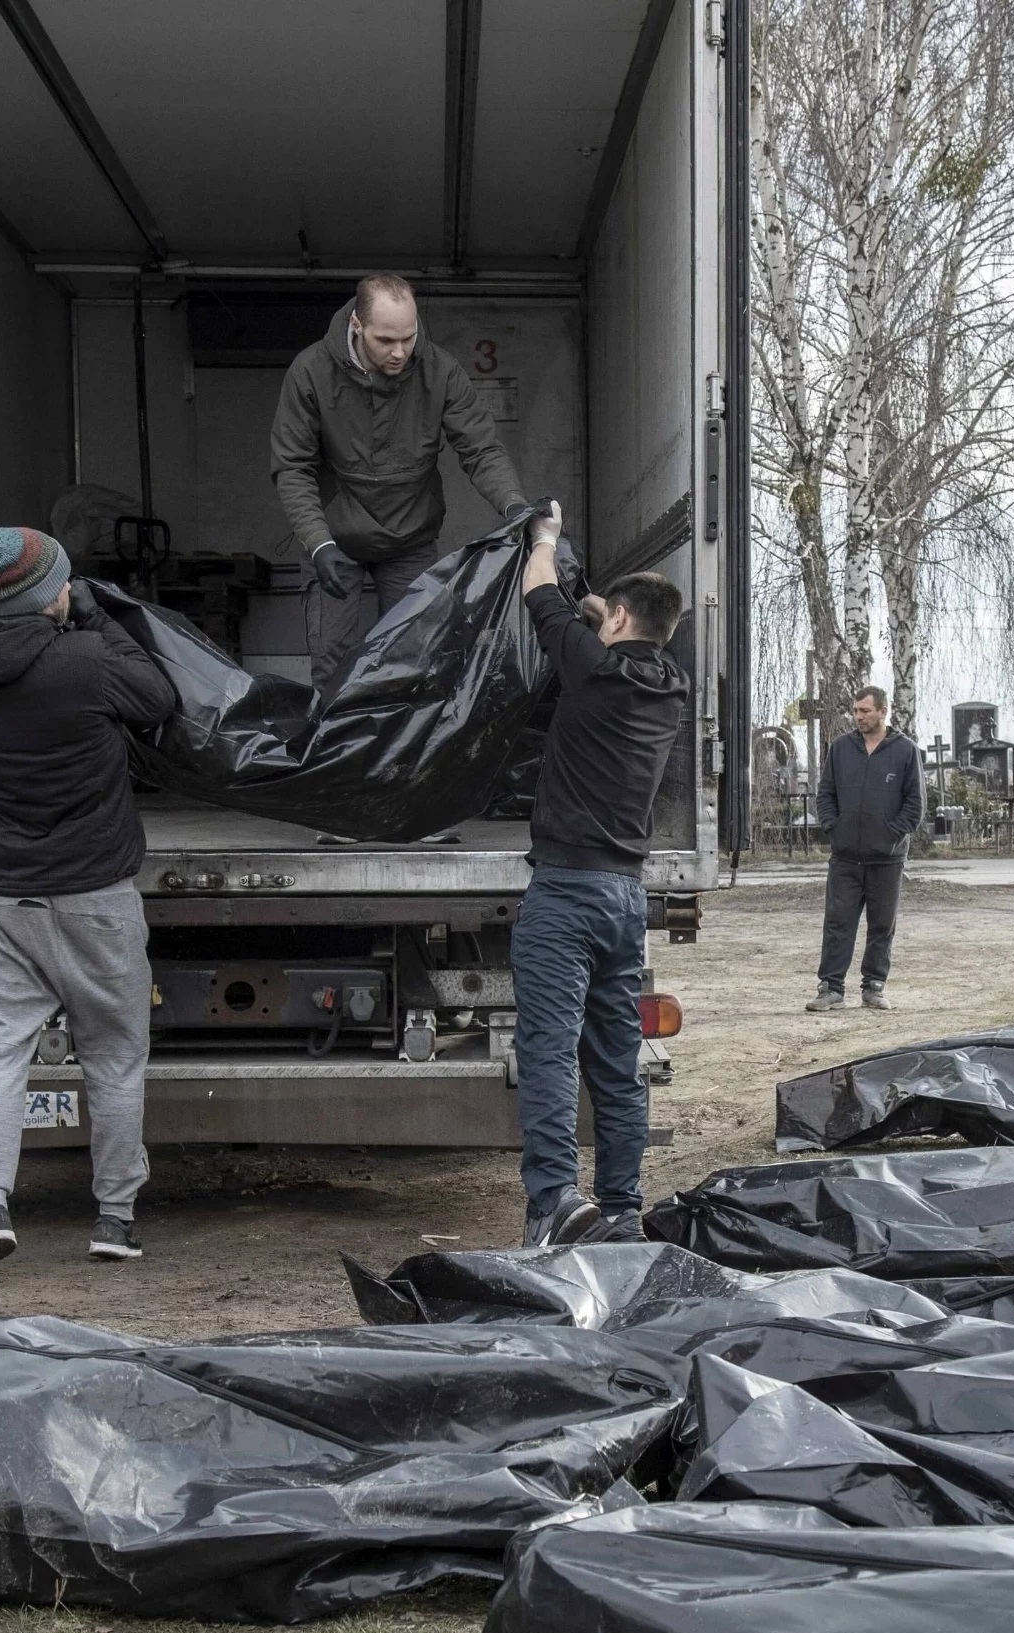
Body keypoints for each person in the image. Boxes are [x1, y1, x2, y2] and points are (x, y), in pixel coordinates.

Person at [0, 526, 177, 1277]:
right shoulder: (87, 659)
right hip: (98, 896)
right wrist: (94, 616)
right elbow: (160, 696)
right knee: (112, 1055)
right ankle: (114, 1217)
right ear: (54, 592)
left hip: (9, 898)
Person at [510, 502, 690, 1247]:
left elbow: (536, 591)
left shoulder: (588, 667)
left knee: (550, 1052)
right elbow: (603, 623)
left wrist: (545, 538)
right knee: (618, 1063)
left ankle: (553, 1203)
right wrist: (601, 605)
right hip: (625, 898)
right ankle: (619, 1209)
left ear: (616, 621)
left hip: (565, 893)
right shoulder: (670, 686)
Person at [270, 273, 532, 700]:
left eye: (408, 338)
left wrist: (514, 506)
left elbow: (481, 448)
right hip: (336, 541)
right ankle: (338, 759)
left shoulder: (440, 370)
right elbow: (292, 465)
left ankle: (399, 764)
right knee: (332, 663)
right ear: (356, 324)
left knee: (413, 661)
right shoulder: (311, 371)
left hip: (409, 539)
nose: (399, 352)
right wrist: (318, 543)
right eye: (385, 340)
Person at [805, 686, 924, 1012]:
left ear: (883, 711)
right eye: (855, 711)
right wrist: (834, 828)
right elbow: (825, 795)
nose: (858, 717)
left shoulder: (905, 751)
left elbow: (915, 804)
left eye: (865, 711)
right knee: (837, 924)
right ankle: (831, 989)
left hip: (887, 860)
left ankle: (874, 987)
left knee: (882, 925)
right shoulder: (842, 749)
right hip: (845, 857)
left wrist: (891, 835)